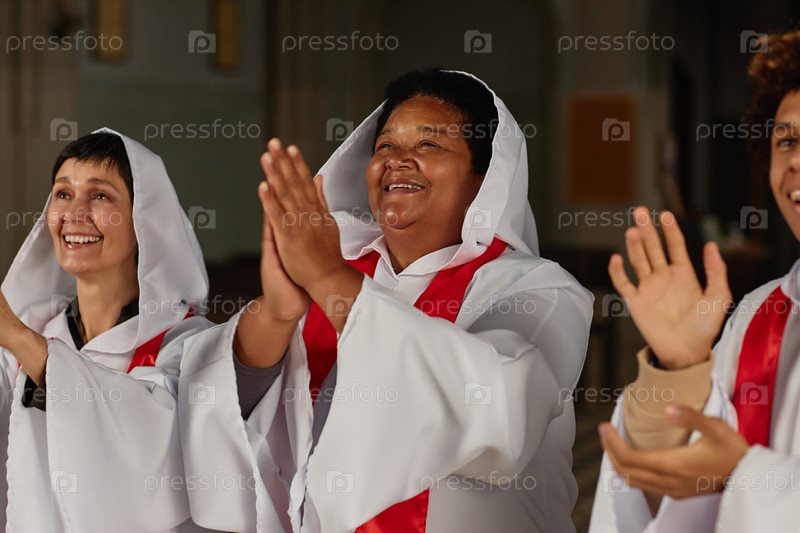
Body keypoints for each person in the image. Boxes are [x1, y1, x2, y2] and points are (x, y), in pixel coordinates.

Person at [180, 68, 593, 532]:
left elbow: (502, 412)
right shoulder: (331, 273)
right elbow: (219, 403)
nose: (398, 160)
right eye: (385, 146)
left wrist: (328, 278)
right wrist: (277, 313)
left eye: (428, 144)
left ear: (485, 180)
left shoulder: (537, 288)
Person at [589, 30, 800, 532]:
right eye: (787, 140)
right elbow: (672, 498)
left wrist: (744, 476)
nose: (795, 159)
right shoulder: (759, 315)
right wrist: (678, 371)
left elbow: (732, 470)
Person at [0, 130, 211, 532]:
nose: (74, 212)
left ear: (144, 222)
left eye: (99, 195)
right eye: (63, 193)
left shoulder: (187, 344)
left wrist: (21, 339)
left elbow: (154, 448)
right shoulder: (29, 333)